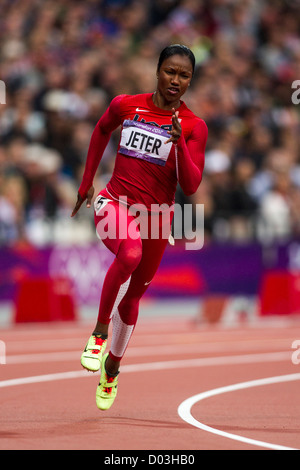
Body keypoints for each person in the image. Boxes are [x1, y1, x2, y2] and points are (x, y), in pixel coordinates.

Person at [71, 44, 208, 411]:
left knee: (133, 298)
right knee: (129, 253)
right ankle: (99, 332)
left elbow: (192, 185)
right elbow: (101, 130)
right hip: (115, 202)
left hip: (157, 219)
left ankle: (112, 369)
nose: (175, 81)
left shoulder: (194, 126)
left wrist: (179, 146)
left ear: (190, 80)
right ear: (158, 70)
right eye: (170, 72)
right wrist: (86, 183)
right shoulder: (126, 105)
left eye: (184, 76)